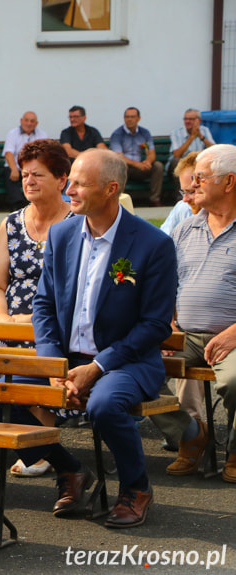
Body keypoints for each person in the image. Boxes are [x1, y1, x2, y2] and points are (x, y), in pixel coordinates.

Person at [31, 148, 176, 528]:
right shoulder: (62, 234)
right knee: (0, 397)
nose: (69, 190)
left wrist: (96, 367)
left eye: (79, 184)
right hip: (66, 359)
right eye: (70, 181)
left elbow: (155, 325)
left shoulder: (152, 244)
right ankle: (71, 471)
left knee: (105, 405)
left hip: (125, 362)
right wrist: (52, 365)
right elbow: (44, 304)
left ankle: (136, 488)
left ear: (111, 189)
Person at [0, 140, 74, 476]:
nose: (29, 181)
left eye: (39, 175)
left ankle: (40, 442)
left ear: (63, 179)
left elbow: (81, 291)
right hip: (12, 324)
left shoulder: (78, 224)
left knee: (35, 366)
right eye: (25, 175)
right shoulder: (12, 223)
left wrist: (36, 321)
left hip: (58, 326)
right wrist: (3, 320)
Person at [151, 144, 236, 483]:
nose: (193, 183)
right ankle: (190, 434)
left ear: (229, 182)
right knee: (132, 370)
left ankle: (235, 450)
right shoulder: (185, 229)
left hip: (231, 338)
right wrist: (165, 324)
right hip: (184, 335)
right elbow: (165, 285)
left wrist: (233, 333)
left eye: (201, 177)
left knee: (235, 381)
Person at [109, 107, 165, 206]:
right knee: (119, 167)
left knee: (158, 166)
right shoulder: (117, 134)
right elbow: (118, 156)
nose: (129, 119)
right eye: (127, 117)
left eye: (132, 117)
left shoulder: (144, 133)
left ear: (138, 118)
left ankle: (154, 199)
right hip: (126, 168)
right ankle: (121, 201)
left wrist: (148, 161)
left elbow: (152, 152)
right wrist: (137, 164)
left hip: (141, 167)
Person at [2, 112, 49, 210]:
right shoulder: (12, 134)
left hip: (35, 169)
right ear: (21, 121)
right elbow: (8, 153)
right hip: (16, 167)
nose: (29, 123)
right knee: (9, 173)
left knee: (42, 176)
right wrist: (14, 169)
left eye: (32, 121)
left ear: (36, 123)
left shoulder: (42, 135)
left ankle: (35, 202)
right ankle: (18, 204)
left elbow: (45, 154)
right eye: (26, 120)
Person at [168, 108, 215, 183]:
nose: (187, 121)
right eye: (185, 119)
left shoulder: (204, 130)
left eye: (191, 119)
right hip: (181, 163)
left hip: (198, 163)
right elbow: (177, 155)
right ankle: (180, 194)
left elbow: (214, 150)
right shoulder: (176, 133)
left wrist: (200, 136)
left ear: (199, 121)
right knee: (177, 162)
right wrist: (192, 137)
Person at [160, 151, 201, 235]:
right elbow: (163, 240)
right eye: (183, 192)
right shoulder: (182, 208)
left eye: (191, 192)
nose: (185, 199)